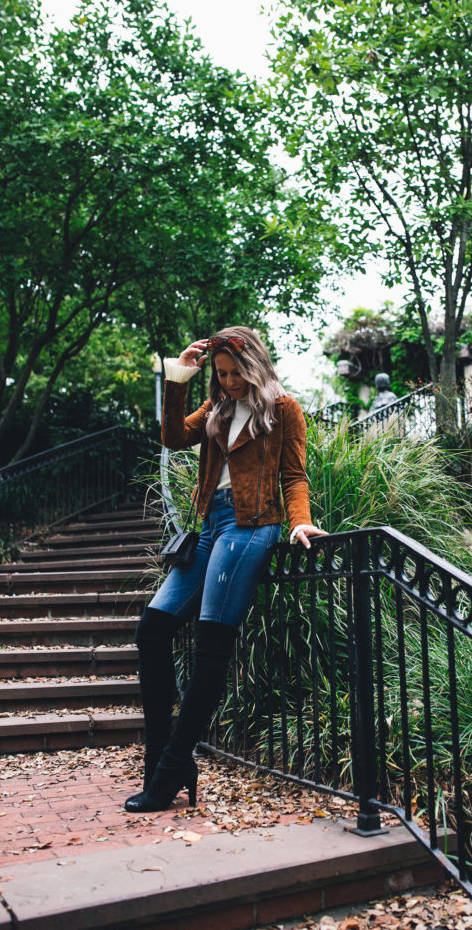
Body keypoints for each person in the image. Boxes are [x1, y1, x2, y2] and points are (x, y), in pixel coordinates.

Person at [125, 327, 325, 813]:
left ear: (254, 366)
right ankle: (161, 759)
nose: (230, 382)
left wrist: (301, 522)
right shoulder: (215, 409)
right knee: (152, 630)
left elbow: (294, 475)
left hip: (251, 527)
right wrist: (181, 376)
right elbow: (172, 437)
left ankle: (172, 768)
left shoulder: (282, 409)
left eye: (236, 373)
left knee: (211, 644)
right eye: (222, 374)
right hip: (210, 527)